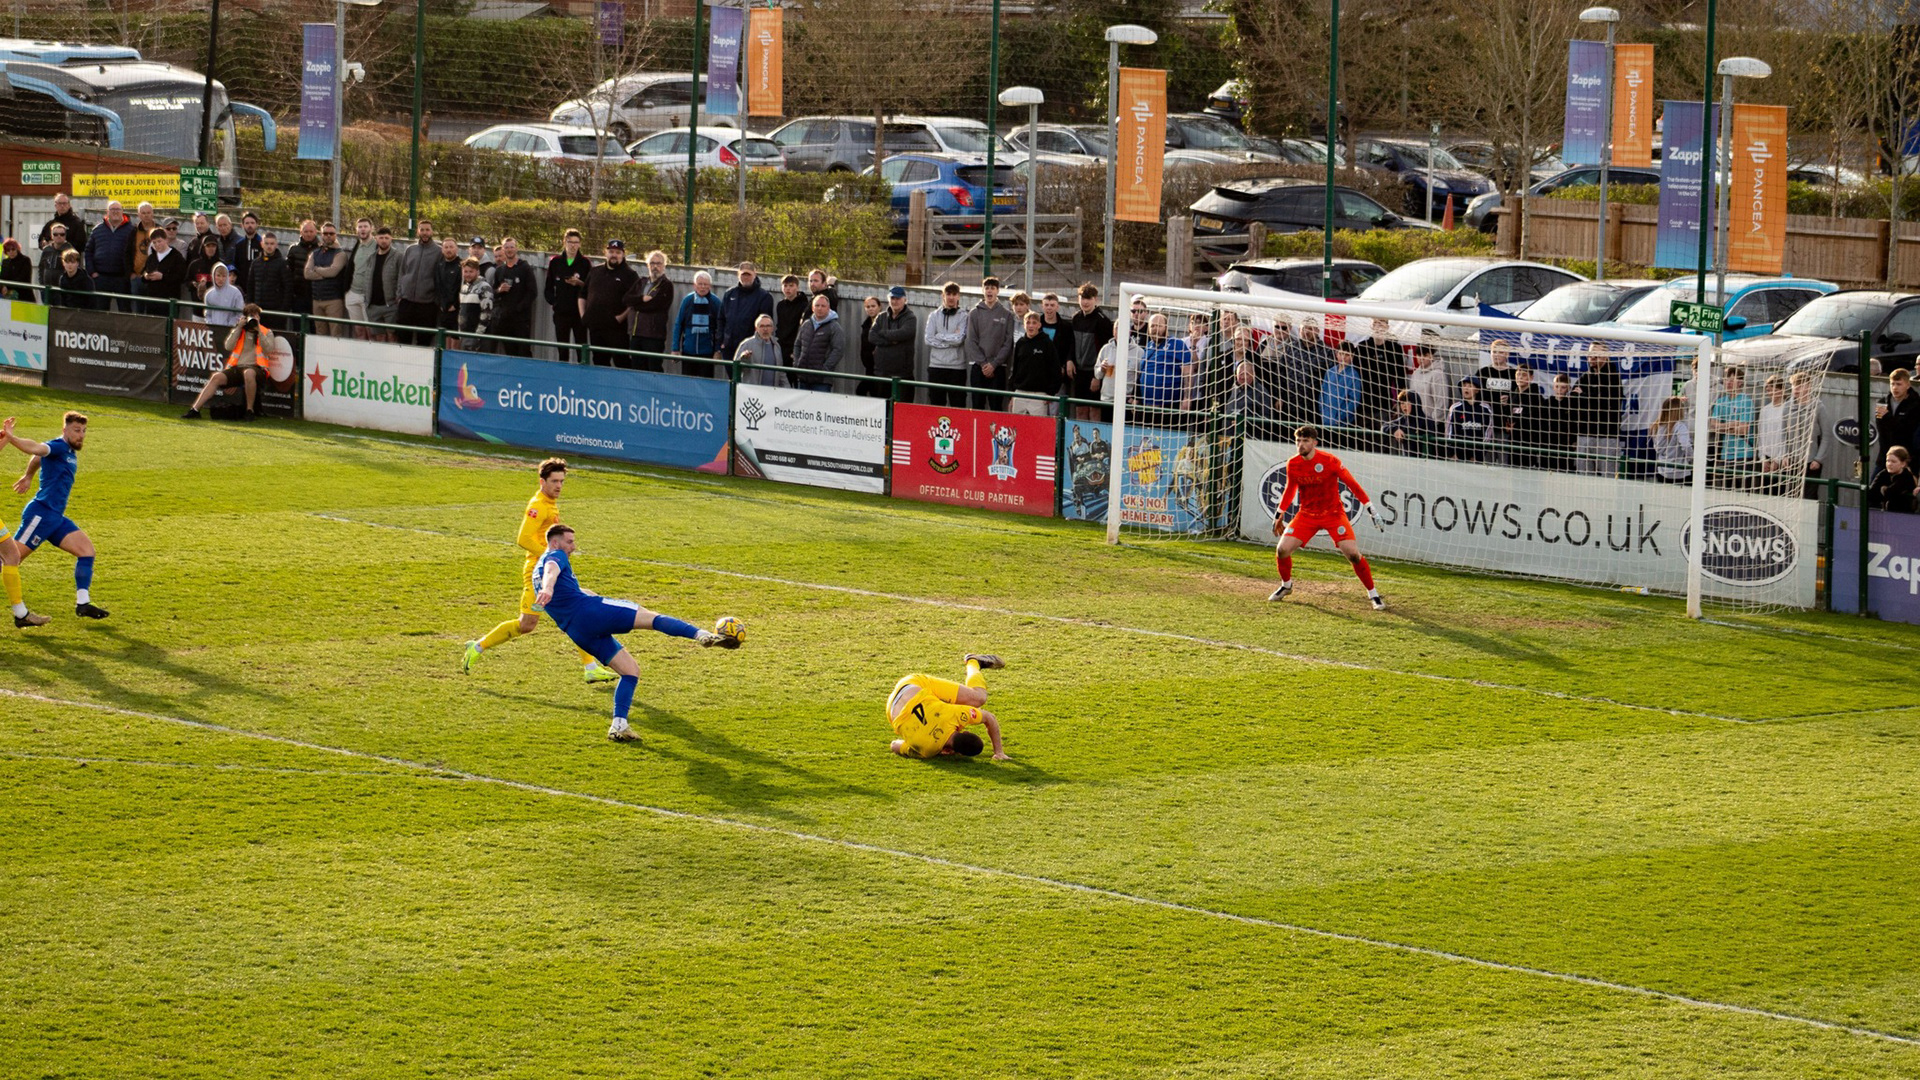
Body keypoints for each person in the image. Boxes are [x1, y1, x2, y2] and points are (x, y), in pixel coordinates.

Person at [529, 523, 739, 742]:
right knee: (650, 617)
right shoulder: (555, 556)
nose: (573, 547)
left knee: (630, 671)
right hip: (590, 613)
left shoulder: (537, 570)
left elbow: (574, 589)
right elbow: (552, 571)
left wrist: (553, 589)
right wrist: (548, 588)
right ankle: (702, 635)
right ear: (555, 542)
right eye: (569, 542)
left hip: (578, 631)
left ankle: (619, 725)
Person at [461, 457, 625, 686]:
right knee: (527, 625)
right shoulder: (538, 506)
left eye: (562, 481)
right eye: (554, 481)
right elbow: (523, 538)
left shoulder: (550, 503)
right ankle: (477, 646)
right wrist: (551, 556)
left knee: (578, 612)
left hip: (553, 571)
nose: (559, 486)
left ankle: (590, 668)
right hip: (537, 574)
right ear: (542, 481)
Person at [0, 413, 109, 620]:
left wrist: (29, 476)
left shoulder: (68, 450)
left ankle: (83, 602)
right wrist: (12, 438)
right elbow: (37, 449)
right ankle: (20, 614)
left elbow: (39, 458)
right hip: (41, 515)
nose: (81, 436)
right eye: (76, 431)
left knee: (86, 551)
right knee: (10, 559)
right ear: (65, 430)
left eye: (84, 431)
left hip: (55, 518)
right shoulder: (58, 446)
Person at [1267, 425, 1386, 610]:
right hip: (1307, 514)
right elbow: (1290, 489)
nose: (1300, 445)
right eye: (1298, 440)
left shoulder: (1330, 461)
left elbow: (1352, 484)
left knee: (1353, 555)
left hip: (1333, 514)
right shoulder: (1293, 463)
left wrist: (1371, 509)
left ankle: (1373, 594)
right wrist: (1279, 514)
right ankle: (1286, 585)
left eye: (1305, 441)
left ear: (1314, 442)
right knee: (1282, 550)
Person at [886, 653, 1009, 761]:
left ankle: (973, 661)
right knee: (969, 700)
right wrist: (938, 748)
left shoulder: (958, 716)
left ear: (966, 732)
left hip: (911, 685)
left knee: (979, 698)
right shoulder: (927, 751)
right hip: (891, 709)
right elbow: (894, 745)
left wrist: (999, 752)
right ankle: (974, 661)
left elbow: (989, 718)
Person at [180, 305, 279, 421]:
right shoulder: (240, 330)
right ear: (245, 317)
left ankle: (249, 411)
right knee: (216, 377)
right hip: (238, 368)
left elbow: (269, 349)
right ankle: (195, 410)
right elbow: (228, 346)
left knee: (248, 373)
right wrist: (238, 328)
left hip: (258, 369)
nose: (254, 318)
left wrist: (259, 331)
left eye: (256, 315)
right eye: (251, 316)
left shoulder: (266, 332)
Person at [581, 239, 639, 367]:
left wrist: (620, 318)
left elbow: (634, 302)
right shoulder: (595, 271)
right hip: (596, 328)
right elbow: (582, 295)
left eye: (618, 252)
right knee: (599, 363)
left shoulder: (630, 275)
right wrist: (584, 315)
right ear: (606, 253)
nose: (614, 255)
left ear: (623, 254)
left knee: (622, 363)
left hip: (617, 330)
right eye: (611, 251)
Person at [1569, 341, 1623, 476]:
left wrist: (1585, 396)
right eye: (1589, 354)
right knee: (1584, 480)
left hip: (1607, 436)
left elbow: (1607, 403)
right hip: (1584, 434)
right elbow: (1573, 398)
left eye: (1595, 354)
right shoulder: (1585, 377)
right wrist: (1591, 398)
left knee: (1608, 478)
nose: (1591, 357)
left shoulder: (1614, 378)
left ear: (1605, 356)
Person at [962, 276, 1016, 410]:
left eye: (992, 288)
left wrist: (994, 364)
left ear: (997, 291)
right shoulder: (974, 313)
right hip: (978, 367)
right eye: (987, 288)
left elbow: (1008, 342)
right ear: (983, 290)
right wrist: (983, 364)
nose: (989, 291)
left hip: (998, 368)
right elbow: (971, 341)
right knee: (977, 406)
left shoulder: (1006, 314)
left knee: (996, 407)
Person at [718, 261, 776, 367]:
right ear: (738, 275)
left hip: (751, 349)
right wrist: (721, 342)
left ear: (755, 274)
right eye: (743, 274)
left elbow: (765, 325)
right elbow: (721, 319)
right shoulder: (729, 294)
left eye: (748, 274)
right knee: (733, 380)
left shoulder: (764, 297)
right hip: (729, 348)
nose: (746, 277)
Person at [625, 249, 675, 370]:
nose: (655, 266)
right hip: (636, 334)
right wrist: (642, 298)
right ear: (648, 265)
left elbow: (656, 306)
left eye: (658, 263)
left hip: (654, 336)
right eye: (652, 263)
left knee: (654, 369)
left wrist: (636, 304)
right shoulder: (641, 282)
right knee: (637, 369)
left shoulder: (666, 285)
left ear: (664, 266)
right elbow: (626, 299)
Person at [1708, 364, 1757, 486]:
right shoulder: (1720, 402)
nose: (1728, 383)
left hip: (1744, 455)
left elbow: (1743, 430)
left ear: (1740, 382)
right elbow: (1713, 426)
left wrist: (1723, 426)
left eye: (1732, 380)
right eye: (1726, 380)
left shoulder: (1746, 401)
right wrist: (1733, 424)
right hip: (1724, 455)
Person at [1069, 283, 1113, 420]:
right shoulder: (1076, 318)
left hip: (1094, 373)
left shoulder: (1102, 321)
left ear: (1096, 299)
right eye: (1083, 298)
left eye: (1089, 298)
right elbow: (1071, 343)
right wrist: (1069, 360)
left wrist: (1097, 376)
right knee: (1080, 409)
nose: (1085, 302)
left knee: (1095, 410)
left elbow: (1107, 352)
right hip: (1079, 372)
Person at [395, 219, 441, 346]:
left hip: (427, 304)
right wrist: (400, 294)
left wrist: (435, 300)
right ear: (418, 231)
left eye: (427, 230)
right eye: (422, 230)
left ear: (432, 232)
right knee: (403, 338)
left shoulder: (438, 251)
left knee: (424, 340)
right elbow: (402, 272)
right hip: (407, 301)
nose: (425, 233)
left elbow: (440, 277)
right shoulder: (410, 249)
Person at [923, 281, 970, 407]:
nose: (951, 297)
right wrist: (949, 341)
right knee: (936, 405)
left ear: (958, 296)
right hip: (936, 367)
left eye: (954, 294)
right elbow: (928, 339)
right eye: (948, 294)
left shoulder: (964, 316)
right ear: (943, 295)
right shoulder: (933, 316)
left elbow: (959, 339)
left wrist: (939, 336)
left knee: (958, 405)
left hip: (957, 368)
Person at [489, 238, 538, 355]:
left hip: (521, 319)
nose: (509, 250)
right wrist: (499, 290)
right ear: (503, 249)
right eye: (506, 247)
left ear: (516, 248)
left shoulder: (524, 267)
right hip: (505, 319)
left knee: (523, 351)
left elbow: (532, 292)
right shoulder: (499, 270)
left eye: (512, 247)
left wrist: (519, 308)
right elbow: (493, 292)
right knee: (509, 351)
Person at [85, 200, 137, 310]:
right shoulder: (97, 230)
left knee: (125, 310)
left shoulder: (132, 230)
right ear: (107, 212)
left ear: (122, 211)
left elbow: (137, 253)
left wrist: (132, 272)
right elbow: (88, 251)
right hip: (101, 278)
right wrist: (92, 272)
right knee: (101, 311)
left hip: (122, 278)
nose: (115, 212)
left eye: (118, 209)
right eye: (112, 209)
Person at [545, 229, 592, 351]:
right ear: (564, 242)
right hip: (561, 313)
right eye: (570, 242)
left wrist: (579, 283)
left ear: (580, 244)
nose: (573, 245)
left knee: (581, 348)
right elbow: (548, 288)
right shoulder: (556, 262)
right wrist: (555, 303)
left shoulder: (585, 263)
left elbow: (591, 288)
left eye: (576, 242)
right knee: (562, 349)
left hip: (579, 314)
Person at [1008, 311, 1062, 416]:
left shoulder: (1047, 343)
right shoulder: (1020, 343)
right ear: (1024, 325)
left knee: (1037, 429)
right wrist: (1012, 393)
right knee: (1016, 428)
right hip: (1020, 392)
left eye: (1034, 323)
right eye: (1028, 323)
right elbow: (1014, 369)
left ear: (1039, 325)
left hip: (1039, 394)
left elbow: (1055, 369)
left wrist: (1050, 393)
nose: (1031, 326)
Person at [302, 222, 351, 336]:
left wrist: (316, 269)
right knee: (320, 333)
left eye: (331, 233)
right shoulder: (315, 253)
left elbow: (333, 272)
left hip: (333, 300)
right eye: (325, 233)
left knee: (335, 333)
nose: (328, 236)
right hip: (317, 300)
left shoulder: (340, 254)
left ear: (336, 235)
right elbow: (307, 274)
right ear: (321, 235)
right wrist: (324, 272)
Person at [870, 286, 919, 399]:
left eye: (898, 298)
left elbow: (903, 334)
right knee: (883, 410)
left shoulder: (910, 318)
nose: (895, 301)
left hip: (902, 374)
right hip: (881, 373)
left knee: (902, 410)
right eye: (892, 298)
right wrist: (892, 341)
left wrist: (882, 333)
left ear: (905, 300)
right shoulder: (881, 316)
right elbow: (872, 336)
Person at [673, 271, 723, 377]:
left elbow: (720, 328)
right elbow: (678, 324)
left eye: (705, 284)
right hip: (688, 351)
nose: (703, 287)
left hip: (707, 352)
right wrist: (675, 348)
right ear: (694, 285)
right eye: (700, 284)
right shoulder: (687, 300)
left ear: (710, 286)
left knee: (705, 384)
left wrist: (717, 350)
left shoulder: (715, 302)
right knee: (687, 383)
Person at [791, 292, 844, 392]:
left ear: (828, 308)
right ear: (812, 308)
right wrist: (797, 363)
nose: (820, 308)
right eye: (817, 305)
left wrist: (825, 369)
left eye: (823, 306)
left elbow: (838, 350)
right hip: (803, 377)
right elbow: (797, 344)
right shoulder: (806, 324)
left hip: (822, 381)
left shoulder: (834, 327)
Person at [356, 226, 400, 340]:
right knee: (379, 336)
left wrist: (398, 298)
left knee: (392, 335)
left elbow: (401, 278)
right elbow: (367, 279)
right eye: (381, 238)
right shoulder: (371, 257)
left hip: (391, 305)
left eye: (386, 238)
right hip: (373, 306)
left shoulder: (398, 256)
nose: (384, 240)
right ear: (376, 239)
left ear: (391, 239)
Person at [133, 228, 186, 315]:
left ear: (166, 240)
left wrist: (162, 277)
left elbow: (181, 276)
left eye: (159, 241)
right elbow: (144, 273)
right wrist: (146, 276)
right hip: (152, 301)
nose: (157, 244)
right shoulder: (151, 258)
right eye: (154, 242)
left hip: (169, 301)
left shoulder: (176, 257)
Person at [1445, 376, 1494, 462]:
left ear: (1477, 390)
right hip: (1457, 456)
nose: (1466, 388)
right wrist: (1452, 453)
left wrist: (1478, 456)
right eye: (1464, 385)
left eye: (1470, 386)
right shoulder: (1455, 408)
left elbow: (1488, 434)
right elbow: (1449, 432)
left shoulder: (1485, 409)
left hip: (1476, 457)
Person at [1318, 345, 1362, 440]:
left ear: (1352, 356)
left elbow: (1354, 400)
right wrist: (1323, 413)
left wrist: (1340, 417)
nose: (1343, 357)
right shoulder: (1329, 372)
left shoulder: (1354, 375)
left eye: (1347, 355)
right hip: (1325, 420)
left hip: (1343, 425)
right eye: (1341, 354)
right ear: (1336, 354)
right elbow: (1322, 394)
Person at [246, 232, 293, 318]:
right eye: (266, 243)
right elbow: (250, 286)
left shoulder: (282, 264)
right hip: (257, 311)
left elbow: (288, 287)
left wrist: (284, 309)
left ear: (276, 245)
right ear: (262, 244)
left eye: (272, 243)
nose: (269, 246)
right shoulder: (255, 263)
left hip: (276, 311)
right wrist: (249, 305)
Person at [1875, 368, 1920, 457]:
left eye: (1899, 384)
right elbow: (1881, 430)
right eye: (1892, 384)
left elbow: (1906, 431)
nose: (1895, 388)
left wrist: (1888, 417)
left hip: (1906, 457)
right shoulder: (1883, 402)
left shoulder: (1915, 405)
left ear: (1908, 385)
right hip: (1885, 455)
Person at [1649, 395, 1692, 483]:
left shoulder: (1656, 426)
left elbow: (1657, 449)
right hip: (1679, 472)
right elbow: (1686, 446)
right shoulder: (1680, 426)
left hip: (1662, 470)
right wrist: (1691, 459)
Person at [734, 314, 784, 386]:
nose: (765, 329)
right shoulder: (747, 344)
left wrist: (787, 387)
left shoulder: (776, 346)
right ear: (756, 328)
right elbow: (736, 369)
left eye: (768, 326)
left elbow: (781, 372)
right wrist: (744, 359)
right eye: (762, 326)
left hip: (772, 391)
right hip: (753, 392)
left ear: (772, 328)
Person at [1382, 389, 1435, 457]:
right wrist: (1394, 430)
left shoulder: (1427, 421)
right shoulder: (1403, 420)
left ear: (1415, 403)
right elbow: (1384, 426)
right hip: (1408, 462)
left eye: (1407, 402)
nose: (1404, 406)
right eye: (1402, 403)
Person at [455, 257, 494, 345]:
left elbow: (487, 313)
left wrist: (478, 335)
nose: (468, 274)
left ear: (477, 271)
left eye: (471, 271)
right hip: (464, 334)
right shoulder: (464, 288)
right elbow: (462, 311)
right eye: (465, 271)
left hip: (478, 336)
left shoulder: (484, 287)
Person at [1867, 446, 1917, 512]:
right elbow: (1871, 494)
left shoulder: (1907, 477)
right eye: (1888, 461)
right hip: (1886, 514)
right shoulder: (1883, 474)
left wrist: (1883, 488)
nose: (1889, 464)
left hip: (1903, 515)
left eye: (1893, 462)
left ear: (1903, 464)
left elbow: (1890, 493)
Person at [774, 273, 808, 364]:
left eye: (791, 286)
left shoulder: (804, 305)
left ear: (797, 287)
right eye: (785, 286)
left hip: (795, 346)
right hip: (781, 346)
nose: (787, 288)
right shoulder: (780, 305)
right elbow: (780, 325)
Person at [432, 237, 463, 335]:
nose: (448, 250)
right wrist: (440, 304)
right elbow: (437, 286)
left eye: (451, 247)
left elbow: (462, 287)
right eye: (446, 247)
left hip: (456, 311)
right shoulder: (439, 265)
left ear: (456, 248)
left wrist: (455, 305)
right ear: (442, 249)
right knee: (443, 339)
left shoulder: (462, 265)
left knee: (454, 339)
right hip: (442, 310)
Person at [856, 294, 884, 396]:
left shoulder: (884, 323)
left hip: (879, 368)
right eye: (868, 307)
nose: (870, 309)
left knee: (872, 392)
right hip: (868, 366)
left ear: (879, 307)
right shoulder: (866, 324)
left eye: (873, 306)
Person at [201, 263, 246, 328]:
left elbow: (239, 314)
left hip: (231, 330)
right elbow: (208, 314)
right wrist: (211, 324)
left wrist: (230, 325)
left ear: (227, 276)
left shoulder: (236, 293)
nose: (221, 279)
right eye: (218, 275)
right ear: (213, 276)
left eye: (224, 276)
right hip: (213, 329)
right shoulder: (209, 294)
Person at [38, 223, 74, 295]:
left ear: (65, 236)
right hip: (47, 290)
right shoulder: (46, 250)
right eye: (55, 234)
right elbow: (41, 268)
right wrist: (42, 286)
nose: (59, 236)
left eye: (62, 234)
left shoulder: (70, 251)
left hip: (62, 291)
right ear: (52, 236)